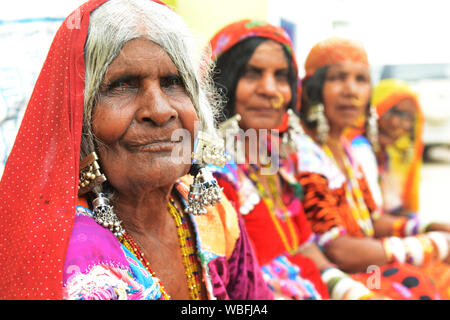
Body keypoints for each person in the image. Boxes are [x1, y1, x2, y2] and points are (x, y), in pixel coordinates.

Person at [0, 0, 273, 300]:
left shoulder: (212, 213)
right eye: (124, 85)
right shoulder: (72, 259)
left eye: (173, 82)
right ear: (80, 117)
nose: (159, 110)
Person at [208, 19, 380, 300]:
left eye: (280, 76)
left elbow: (306, 248)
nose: (270, 89)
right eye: (252, 73)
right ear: (221, 80)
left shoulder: (279, 160)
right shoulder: (208, 172)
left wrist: (354, 293)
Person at [297, 36, 450, 299]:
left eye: (361, 79)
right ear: (313, 86)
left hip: (367, 262)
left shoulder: (345, 147)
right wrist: (430, 245)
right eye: (337, 78)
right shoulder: (304, 152)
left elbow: (371, 219)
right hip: (337, 275)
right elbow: (337, 250)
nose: (351, 90)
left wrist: (426, 228)